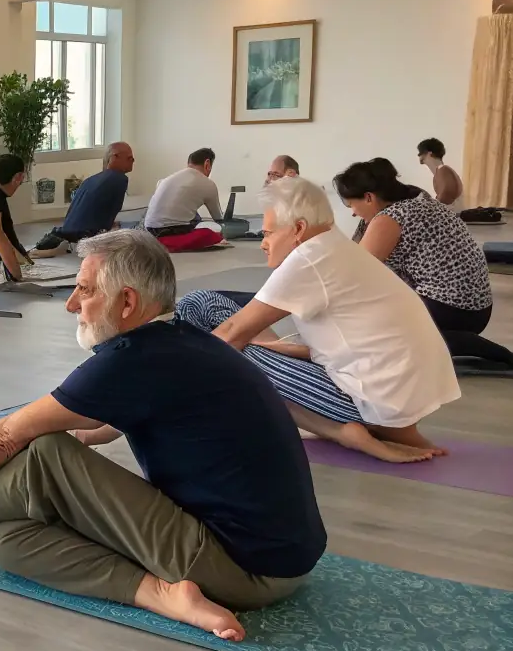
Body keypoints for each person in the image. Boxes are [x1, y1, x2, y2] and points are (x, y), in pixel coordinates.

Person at [0, 229, 325, 642]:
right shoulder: (182, 340)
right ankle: (160, 594)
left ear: (126, 303)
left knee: (44, 450)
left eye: (83, 290)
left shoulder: (134, 359)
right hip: (282, 561)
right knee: (9, 542)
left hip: (242, 567)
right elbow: (99, 428)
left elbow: (5, 436)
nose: (70, 304)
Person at [177, 178, 460, 464]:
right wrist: (273, 350)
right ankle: (361, 430)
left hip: (371, 405)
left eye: (268, 233)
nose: (263, 243)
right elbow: (351, 343)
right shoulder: (338, 246)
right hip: (394, 396)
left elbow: (231, 333)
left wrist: (171, 385)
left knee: (200, 311)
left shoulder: (309, 258)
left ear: (298, 229)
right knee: (215, 313)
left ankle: (343, 431)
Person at [335, 160, 512, 368]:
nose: (353, 213)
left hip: (453, 310)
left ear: (368, 197)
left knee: (370, 333)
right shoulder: (418, 198)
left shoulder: (390, 219)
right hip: (475, 306)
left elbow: (355, 272)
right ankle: (436, 338)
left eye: (351, 206)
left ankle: (450, 342)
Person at [31, 141, 134, 256]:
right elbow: (112, 213)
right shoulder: (119, 178)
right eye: (129, 158)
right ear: (114, 156)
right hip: (85, 237)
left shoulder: (91, 180)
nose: (133, 161)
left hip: (68, 230)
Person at [143, 148, 223, 237]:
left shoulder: (166, 180)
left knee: (195, 216)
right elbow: (219, 219)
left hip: (148, 229)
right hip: (171, 231)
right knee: (206, 228)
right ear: (207, 164)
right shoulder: (208, 184)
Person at [418, 137, 463, 209]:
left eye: (420, 152)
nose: (418, 155)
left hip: (453, 217)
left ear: (429, 153)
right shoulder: (440, 172)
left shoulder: (443, 170)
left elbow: (445, 199)